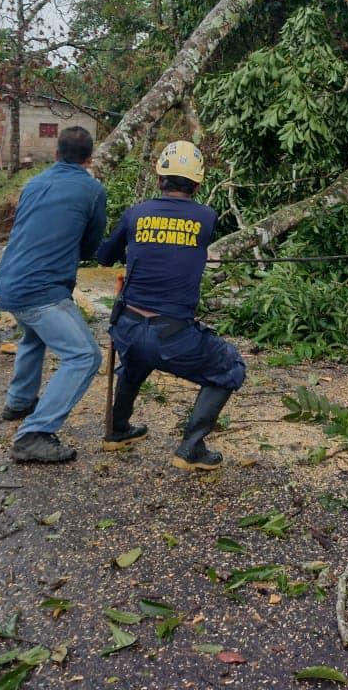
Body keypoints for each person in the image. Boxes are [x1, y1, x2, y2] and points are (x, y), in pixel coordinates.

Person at [96, 140, 245, 470]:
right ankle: (191, 447)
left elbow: (104, 256)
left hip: (128, 328)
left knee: (135, 361)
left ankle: (118, 429)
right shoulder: (206, 217)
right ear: (197, 185)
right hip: (172, 336)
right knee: (230, 366)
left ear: (159, 178)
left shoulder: (135, 214)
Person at [0, 126, 107, 464]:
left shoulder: (33, 183)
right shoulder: (92, 190)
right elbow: (90, 247)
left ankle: (19, 402)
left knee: (34, 337)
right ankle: (34, 434)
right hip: (41, 291)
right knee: (84, 356)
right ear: (90, 159)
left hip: (9, 280)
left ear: (56, 154)